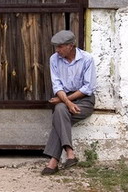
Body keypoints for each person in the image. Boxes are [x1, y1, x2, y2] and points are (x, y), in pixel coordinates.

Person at [41, 30, 96, 175]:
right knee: (60, 110)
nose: (57, 50)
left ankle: (53, 162)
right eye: (56, 47)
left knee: (59, 112)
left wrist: (65, 101)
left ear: (71, 46)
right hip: (64, 98)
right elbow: (57, 85)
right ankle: (70, 153)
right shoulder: (54, 59)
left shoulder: (87, 59)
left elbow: (87, 87)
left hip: (84, 100)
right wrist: (66, 102)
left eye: (60, 47)